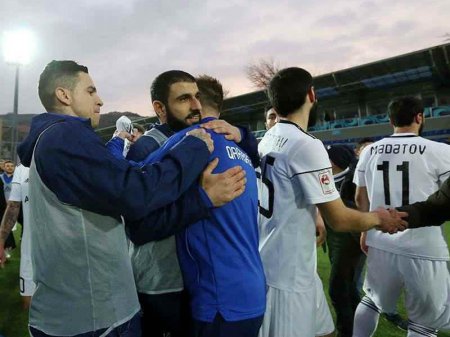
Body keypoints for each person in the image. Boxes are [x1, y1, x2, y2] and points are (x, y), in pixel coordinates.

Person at [14, 60, 246, 337]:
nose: (99, 100)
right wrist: (196, 166)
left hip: (84, 310)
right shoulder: (64, 136)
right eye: (90, 91)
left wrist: (242, 135)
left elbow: (127, 183)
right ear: (64, 95)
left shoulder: (55, 139)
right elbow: (135, 193)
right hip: (94, 315)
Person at [106, 70, 259, 337]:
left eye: (197, 97)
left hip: (199, 283)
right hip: (163, 283)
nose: (195, 106)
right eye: (184, 99)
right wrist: (202, 199)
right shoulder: (148, 147)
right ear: (160, 108)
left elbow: (255, 156)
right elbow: (140, 228)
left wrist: (241, 133)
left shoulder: (209, 137)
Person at [257, 67, 407, 337]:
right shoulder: (306, 144)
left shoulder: (268, 137)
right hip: (287, 272)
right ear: (311, 95)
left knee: (326, 332)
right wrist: (380, 218)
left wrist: (314, 214)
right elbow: (339, 218)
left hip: (289, 260)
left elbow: (289, 190)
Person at [352, 96, 450, 337]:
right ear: (419, 117)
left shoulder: (369, 151)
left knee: (371, 300)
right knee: (425, 322)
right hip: (422, 244)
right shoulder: (441, 150)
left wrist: (366, 230)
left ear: (390, 120)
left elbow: (358, 197)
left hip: (380, 239)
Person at [323, 145, 365, 337]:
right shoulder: (327, 179)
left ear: (333, 162)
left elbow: (359, 209)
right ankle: (358, 329)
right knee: (347, 289)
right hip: (334, 239)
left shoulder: (352, 181)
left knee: (337, 289)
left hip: (351, 240)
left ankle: (347, 332)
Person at [0, 164, 34, 309]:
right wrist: (1, 241)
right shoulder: (22, 169)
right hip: (30, 249)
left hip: (64, 251)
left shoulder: (70, 159)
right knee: (30, 307)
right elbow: (13, 206)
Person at [0, 160, 16, 257]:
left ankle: (7, 247)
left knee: (8, 227)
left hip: (14, 206)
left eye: (11, 166)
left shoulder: (17, 178)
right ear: (3, 167)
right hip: (2, 206)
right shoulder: (1, 178)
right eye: (7, 166)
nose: (9, 167)